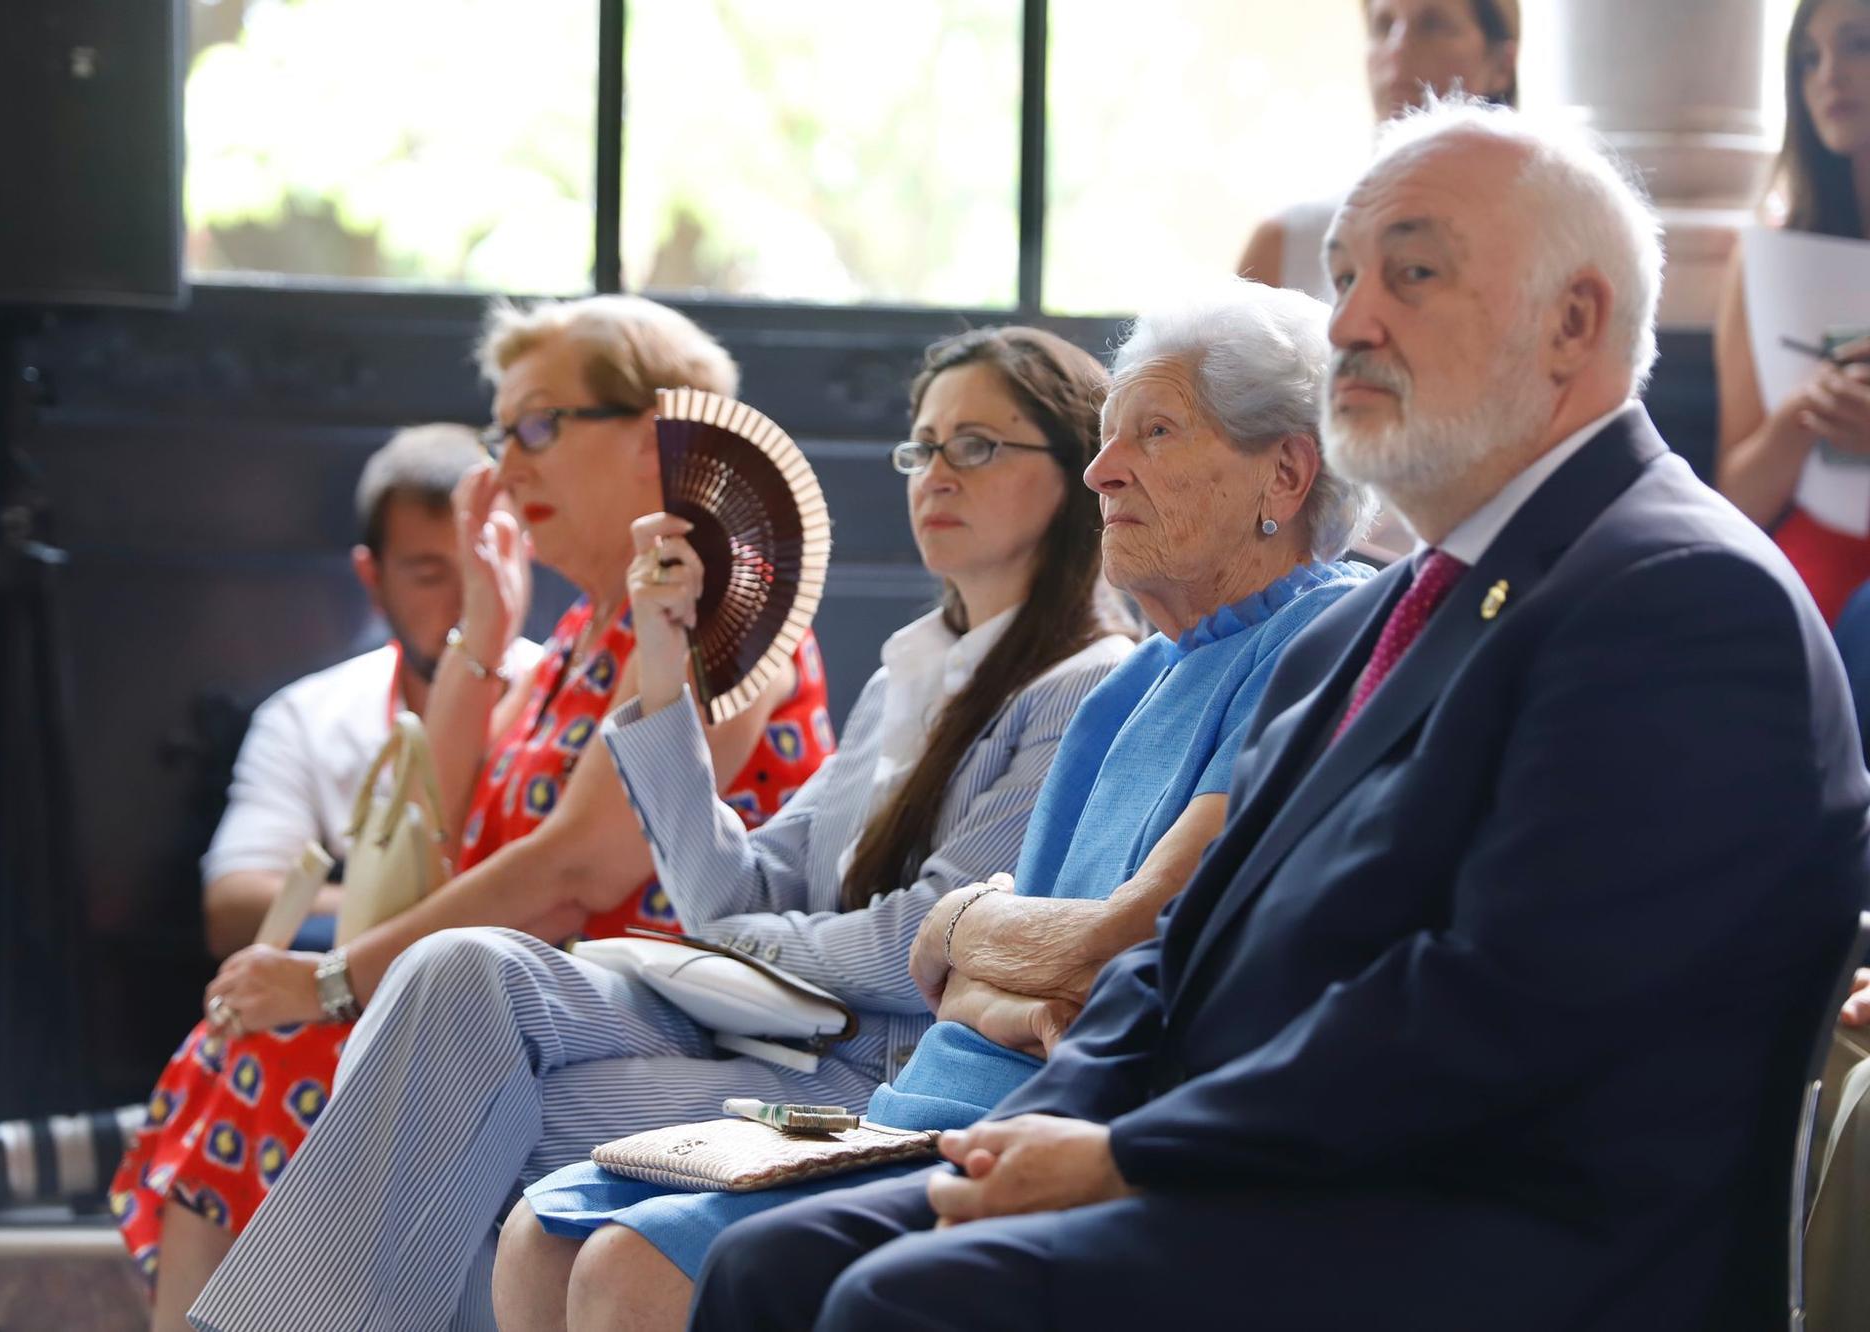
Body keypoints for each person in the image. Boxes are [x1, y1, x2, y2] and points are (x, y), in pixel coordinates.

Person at [690, 99, 1870, 1332]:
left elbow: (1499, 1006)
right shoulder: (1380, 613)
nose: (1350, 322)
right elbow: (1176, 949)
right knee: (769, 1260)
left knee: (902, 1302)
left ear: (1571, 321)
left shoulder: (1677, 594)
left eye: (1410, 273)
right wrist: (1053, 1125)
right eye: (1346, 275)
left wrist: (1130, 1158)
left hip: (1490, 1235)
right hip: (1272, 1173)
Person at [183, 325, 1139, 1332]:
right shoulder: (906, 674)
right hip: (750, 1020)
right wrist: (658, 662)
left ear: (1078, 470)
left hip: (867, 1072)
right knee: (453, 970)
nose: (933, 473)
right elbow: (727, 891)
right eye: (921, 445)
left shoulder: (1082, 687)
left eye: (976, 445)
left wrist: (744, 939)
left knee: (460, 1116)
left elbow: (925, 944)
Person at [500, 283, 1377, 1332]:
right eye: (922, 450)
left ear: (1283, 470)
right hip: (921, 1083)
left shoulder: (1314, 642)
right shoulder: (1124, 686)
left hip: (993, 1108)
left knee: (620, 1262)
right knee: (539, 1236)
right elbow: (964, 977)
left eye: (1150, 433)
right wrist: (662, 654)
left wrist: (962, 932)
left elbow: (1111, 949)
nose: (1107, 469)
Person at [111, 295, 834, 1331]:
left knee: (285, 1049)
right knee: (245, 1046)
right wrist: (484, 631)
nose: (509, 464)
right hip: (522, 1001)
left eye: (539, 425)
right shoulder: (583, 629)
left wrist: (324, 983)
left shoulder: (719, 603)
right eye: (502, 433)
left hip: (662, 1022)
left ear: (656, 434)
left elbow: (577, 870)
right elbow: (426, 842)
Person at [200, 423, 538, 959]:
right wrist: (449, 909)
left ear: (524, 554)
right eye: (429, 575)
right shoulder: (306, 718)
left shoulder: (570, 693)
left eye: (485, 566)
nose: (471, 604)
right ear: (372, 580)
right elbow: (233, 907)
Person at [1715, 0, 1870, 625]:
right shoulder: (1766, 261)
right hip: (1816, 558)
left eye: (1858, 44)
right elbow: (1736, 502)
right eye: (1808, 58)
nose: (1827, 74)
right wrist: (1799, 419)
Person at [1236, 0, 1519, 299]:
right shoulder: (1286, 247)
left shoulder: (1545, 241)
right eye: (1383, 25)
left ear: (1502, 64)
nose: (1398, 46)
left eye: (1433, 24)